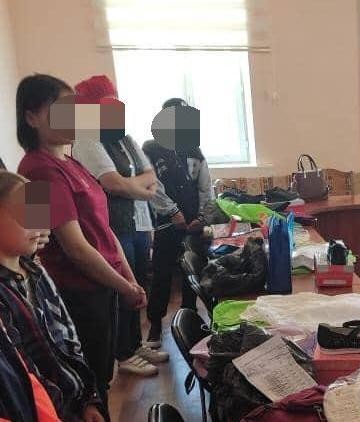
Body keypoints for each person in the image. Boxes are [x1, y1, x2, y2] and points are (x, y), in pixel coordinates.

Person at [16, 74, 147, 417]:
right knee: (89, 386)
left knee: (101, 377)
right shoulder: (37, 169)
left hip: (102, 285)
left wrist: (128, 278)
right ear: (31, 117)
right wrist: (124, 285)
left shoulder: (70, 161)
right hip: (79, 293)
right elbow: (71, 248)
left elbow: (103, 227)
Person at [72, 75, 168, 377]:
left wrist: (132, 187)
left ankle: (135, 343)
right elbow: (111, 183)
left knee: (137, 282)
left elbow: (150, 175)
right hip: (113, 225)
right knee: (122, 287)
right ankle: (123, 352)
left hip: (138, 222)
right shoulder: (87, 141)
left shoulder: (124, 139)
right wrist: (140, 189)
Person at [0, 171, 104, 421]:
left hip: (77, 398)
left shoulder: (37, 272)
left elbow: (68, 337)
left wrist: (88, 397)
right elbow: (25, 372)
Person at [142, 97, 213, 348]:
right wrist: (173, 212)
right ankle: (155, 325)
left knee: (191, 274)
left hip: (193, 224)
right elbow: (152, 186)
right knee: (161, 274)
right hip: (166, 223)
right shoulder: (150, 149)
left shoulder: (194, 150)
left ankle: (190, 320)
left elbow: (206, 188)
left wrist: (202, 217)